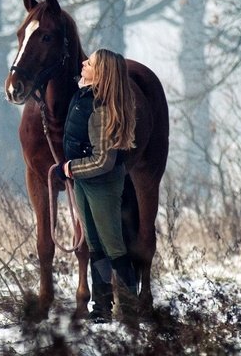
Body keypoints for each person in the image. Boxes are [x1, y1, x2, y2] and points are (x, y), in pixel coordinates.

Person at [56, 48, 138, 324]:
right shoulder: (84, 97)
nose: (83, 63)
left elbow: (103, 161)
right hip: (84, 182)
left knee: (113, 246)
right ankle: (101, 308)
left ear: (100, 73)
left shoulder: (102, 109)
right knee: (95, 246)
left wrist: (70, 168)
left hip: (101, 183)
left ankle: (130, 310)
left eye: (89, 63)